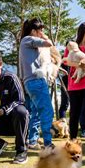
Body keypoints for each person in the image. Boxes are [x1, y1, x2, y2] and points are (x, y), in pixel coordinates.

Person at [19, 18, 54, 149]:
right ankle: (48, 142)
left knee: (36, 112)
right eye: (40, 30)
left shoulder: (24, 42)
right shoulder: (28, 39)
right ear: (33, 31)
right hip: (36, 80)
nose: (42, 33)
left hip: (29, 82)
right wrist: (44, 36)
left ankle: (32, 140)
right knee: (47, 111)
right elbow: (49, 43)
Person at [63, 22, 85, 144]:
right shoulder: (73, 46)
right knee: (74, 113)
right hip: (74, 83)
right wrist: (80, 64)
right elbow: (66, 61)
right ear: (84, 31)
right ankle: (72, 140)